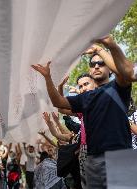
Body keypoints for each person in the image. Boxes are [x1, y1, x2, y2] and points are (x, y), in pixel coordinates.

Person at [31, 41, 132, 188]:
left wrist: (103, 48)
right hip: (93, 158)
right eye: (92, 64)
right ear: (90, 71)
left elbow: (125, 72)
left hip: (120, 155)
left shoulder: (118, 88)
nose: (96, 66)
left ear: (109, 69)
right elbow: (58, 102)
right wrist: (47, 77)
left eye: (101, 63)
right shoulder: (85, 98)